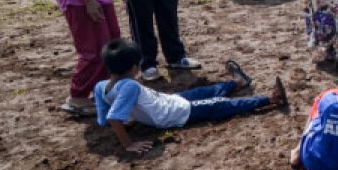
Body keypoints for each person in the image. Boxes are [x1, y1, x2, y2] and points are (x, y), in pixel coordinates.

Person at [95, 38, 285, 155]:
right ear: (134, 68)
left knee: (204, 92)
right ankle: (269, 99)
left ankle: (238, 82)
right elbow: (113, 118)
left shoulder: (101, 86)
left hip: (169, 100)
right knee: (219, 105)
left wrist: (128, 120)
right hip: (177, 113)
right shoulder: (129, 86)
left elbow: (105, 118)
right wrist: (128, 144)